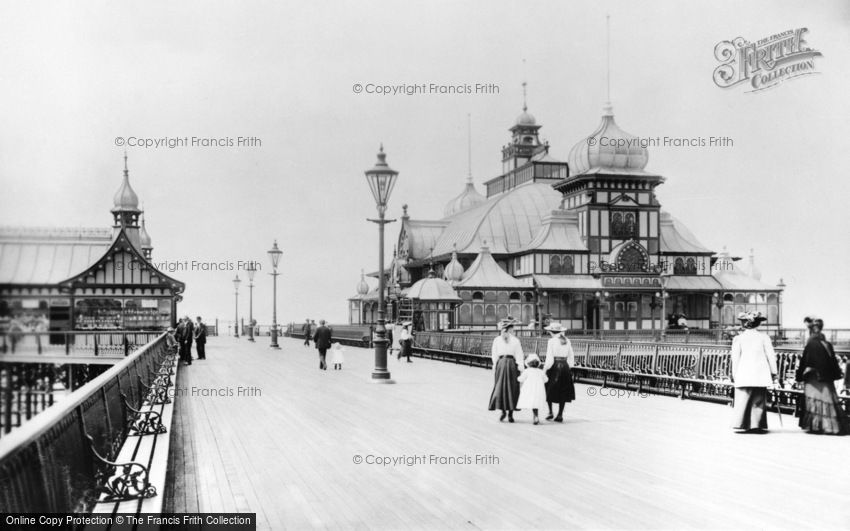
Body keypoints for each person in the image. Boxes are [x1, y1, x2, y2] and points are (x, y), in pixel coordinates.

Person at [795, 317, 848, 435]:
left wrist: (800, 376)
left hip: (814, 378)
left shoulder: (811, 343)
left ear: (810, 330)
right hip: (826, 377)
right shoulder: (827, 343)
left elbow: (806, 361)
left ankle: (817, 426)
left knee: (815, 400)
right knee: (828, 400)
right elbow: (832, 361)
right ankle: (832, 427)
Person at [730, 311, 777, 432]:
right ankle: (757, 424)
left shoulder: (738, 338)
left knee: (743, 398)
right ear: (758, 324)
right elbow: (771, 356)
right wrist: (774, 372)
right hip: (760, 373)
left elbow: (735, 359)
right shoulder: (764, 337)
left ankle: (741, 423)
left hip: (744, 372)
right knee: (758, 399)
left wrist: (735, 375)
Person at [488, 317, 524, 423]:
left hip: (501, 364)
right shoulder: (516, 340)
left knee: (501, 387)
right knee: (512, 388)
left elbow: (494, 355)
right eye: (512, 328)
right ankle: (510, 414)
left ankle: (503, 411)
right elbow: (519, 355)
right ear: (510, 329)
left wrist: (495, 365)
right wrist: (520, 367)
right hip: (512, 364)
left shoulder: (497, 339)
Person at [543, 323, 576, 422]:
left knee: (548, 387)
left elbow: (549, 358)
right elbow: (571, 355)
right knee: (563, 389)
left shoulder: (551, 341)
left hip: (554, 366)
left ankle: (550, 412)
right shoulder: (567, 340)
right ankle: (560, 414)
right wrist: (569, 366)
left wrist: (545, 369)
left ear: (551, 332)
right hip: (565, 366)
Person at [517, 353, 548, 425]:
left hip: (530, 390)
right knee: (536, 403)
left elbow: (521, 379)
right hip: (539, 390)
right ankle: (536, 416)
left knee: (533, 403)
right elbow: (546, 380)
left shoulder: (527, 371)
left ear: (528, 363)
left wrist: (517, 377)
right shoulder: (540, 372)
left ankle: (535, 416)